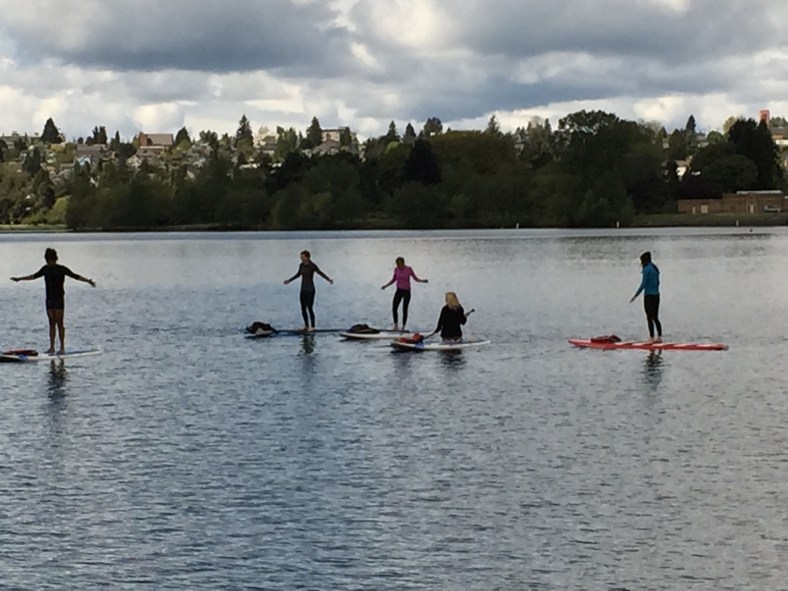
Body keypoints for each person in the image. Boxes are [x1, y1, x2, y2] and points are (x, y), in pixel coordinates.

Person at [10, 248, 96, 354]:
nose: (49, 262)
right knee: (51, 323)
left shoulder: (62, 269)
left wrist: (88, 281)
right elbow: (33, 276)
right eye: (48, 260)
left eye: (50, 260)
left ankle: (62, 348)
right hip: (49, 299)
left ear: (54, 259)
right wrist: (20, 279)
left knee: (59, 323)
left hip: (59, 299)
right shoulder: (45, 269)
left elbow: (75, 276)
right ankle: (51, 347)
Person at [283, 250, 333, 331]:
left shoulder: (312, 266)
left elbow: (320, 273)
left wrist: (328, 279)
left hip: (310, 290)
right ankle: (306, 326)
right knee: (303, 308)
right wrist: (289, 280)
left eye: (303, 257)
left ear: (307, 257)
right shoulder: (301, 265)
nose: (301, 258)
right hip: (303, 289)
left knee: (309, 308)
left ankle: (312, 326)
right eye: (301, 257)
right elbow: (298, 274)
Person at [381, 257, 428, 331]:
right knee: (394, 307)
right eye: (397, 264)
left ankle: (403, 326)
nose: (398, 266)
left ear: (403, 263)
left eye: (399, 264)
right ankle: (396, 325)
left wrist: (422, 281)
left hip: (406, 292)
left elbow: (416, 278)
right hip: (399, 291)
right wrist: (386, 285)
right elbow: (393, 279)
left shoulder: (409, 269)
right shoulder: (396, 269)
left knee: (404, 309)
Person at [630, 251, 662, 343]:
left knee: (649, 317)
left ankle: (651, 338)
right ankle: (659, 337)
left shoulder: (647, 269)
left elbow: (643, 284)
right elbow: (658, 282)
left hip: (649, 296)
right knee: (655, 317)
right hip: (656, 295)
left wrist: (635, 296)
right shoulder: (655, 268)